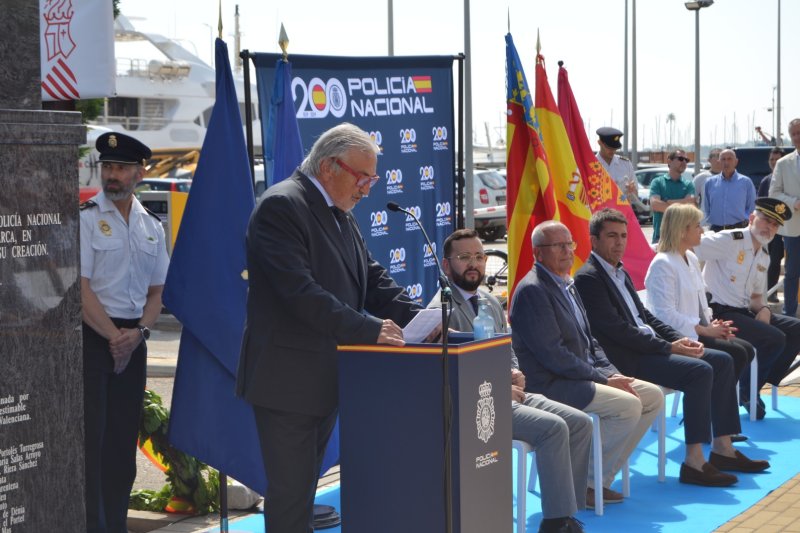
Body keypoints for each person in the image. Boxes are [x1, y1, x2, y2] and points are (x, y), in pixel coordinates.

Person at [236, 123, 420, 533]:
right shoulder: (282, 206)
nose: (368, 188)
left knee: (303, 494)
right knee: (290, 497)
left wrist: (426, 319)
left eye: (372, 179)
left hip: (323, 379)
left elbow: (372, 280)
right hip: (288, 382)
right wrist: (368, 329)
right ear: (328, 167)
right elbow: (299, 292)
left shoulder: (340, 212)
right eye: (363, 177)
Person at [574, 208, 767, 487]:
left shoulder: (618, 270)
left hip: (648, 347)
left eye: (624, 236)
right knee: (699, 371)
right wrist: (668, 347)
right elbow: (618, 331)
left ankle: (723, 449)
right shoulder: (589, 277)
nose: (619, 242)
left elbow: (645, 316)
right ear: (594, 240)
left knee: (722, 361)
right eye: (611, 236)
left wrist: (678, 339)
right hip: (626, 359)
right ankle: (694, 462)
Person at [429, 229, 589, 533]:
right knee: (554, 429)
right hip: (479, 405)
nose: (473, 263)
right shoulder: (441, 309)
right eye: (464, 257)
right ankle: (556, 523)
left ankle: (568, 506)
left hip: (511, 392)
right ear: (446, 265)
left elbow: (508, 348)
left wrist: (514, 371)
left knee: (580, 423)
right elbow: (449, 372)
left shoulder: (489, 301)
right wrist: (503, 389)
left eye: (479, 256)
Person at [510, 221, 663, 506]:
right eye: (559, 246)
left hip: (582, 376)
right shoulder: (533, 290)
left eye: (570, 244)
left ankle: (596, 477)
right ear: (537, 253)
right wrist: (604, 380)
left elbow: (590, 341)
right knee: (628, 405)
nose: (568, 251)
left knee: (651, 396)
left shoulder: (567, 283)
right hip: (554, 384)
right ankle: (587, 484)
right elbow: (554, 356)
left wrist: (614, 375)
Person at [80, 132, 169, 533]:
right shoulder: (84, 218)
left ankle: (115, 525)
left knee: (121, 445)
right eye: (108, 168)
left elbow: (157, 291)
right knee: (92, 446)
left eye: (121, 168)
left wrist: (140, 333)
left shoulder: (151, 226)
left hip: (134, 342)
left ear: (140, 172)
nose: (112, 176)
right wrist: (114, 336)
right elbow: (78, 288)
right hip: (93, 339)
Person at [644, 204, 755, 442]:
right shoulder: (662, 264)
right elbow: (664, 316)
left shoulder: (691, 257)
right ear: (682, 230)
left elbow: (700, 300)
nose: (702, 231)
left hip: (695, 329)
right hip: (676, 338)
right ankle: (712, 421)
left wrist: (714, 324)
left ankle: (714, 416)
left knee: (743, 350)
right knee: (731, 355)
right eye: (697, 226)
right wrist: (706, 329)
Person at [695, 197, 800, 420]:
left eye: (775, 224)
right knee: (774, 338)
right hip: (718, 312)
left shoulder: (764, 255)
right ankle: (748, 390)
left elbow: (755, 297)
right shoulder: (729, 240)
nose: (769, 227)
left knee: (796, 329)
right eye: (766, 220)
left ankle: (755, 383)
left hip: (744, 311)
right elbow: (690, 246)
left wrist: (764, 309)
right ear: (752, 218)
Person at [770, 119, 800, 315]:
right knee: (792, 274)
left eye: (799, 133)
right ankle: (790, 315)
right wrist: (794, 202)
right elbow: (774, 193)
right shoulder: (782, 163)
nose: (797, 137)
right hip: (793, 229)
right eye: (794, 134)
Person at [702, 149, 756, 232]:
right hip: (716, 230)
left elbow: (751, 207)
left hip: (739, 229)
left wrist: (744, 220)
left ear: (736, 162)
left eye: (729, 159)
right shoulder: (710, 182)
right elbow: (707, 207)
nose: (726, 162)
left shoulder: (746, 182)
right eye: (723, 159)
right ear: (719, 162)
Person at [648, 150, 696, 243]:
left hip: (682, 238)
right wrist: (682, 203)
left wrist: (669, 202)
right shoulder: (657, 182)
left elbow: (690, 206)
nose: (684, 162)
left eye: (686, 160)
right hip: (661, 237)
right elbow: (655, 205)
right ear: (669, 161)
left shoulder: (689, 184)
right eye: (681, 159)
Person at [759, 147, 787, 302]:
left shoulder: (790, 179)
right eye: (771, 159)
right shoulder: (766, 181)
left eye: (777, 159)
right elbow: (760, 206)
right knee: (773, 260)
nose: (774, 162)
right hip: (772, 229)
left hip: (792, 229)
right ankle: (771, 292)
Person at [595, 127, 639, 202]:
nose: (613, 150)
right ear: (599, 143)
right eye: (609, 147)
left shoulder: (626, 164)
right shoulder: (591, 164)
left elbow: (634, 196)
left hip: (620, 211)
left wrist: (631, 192)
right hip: (598, 211)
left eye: (615, 148)